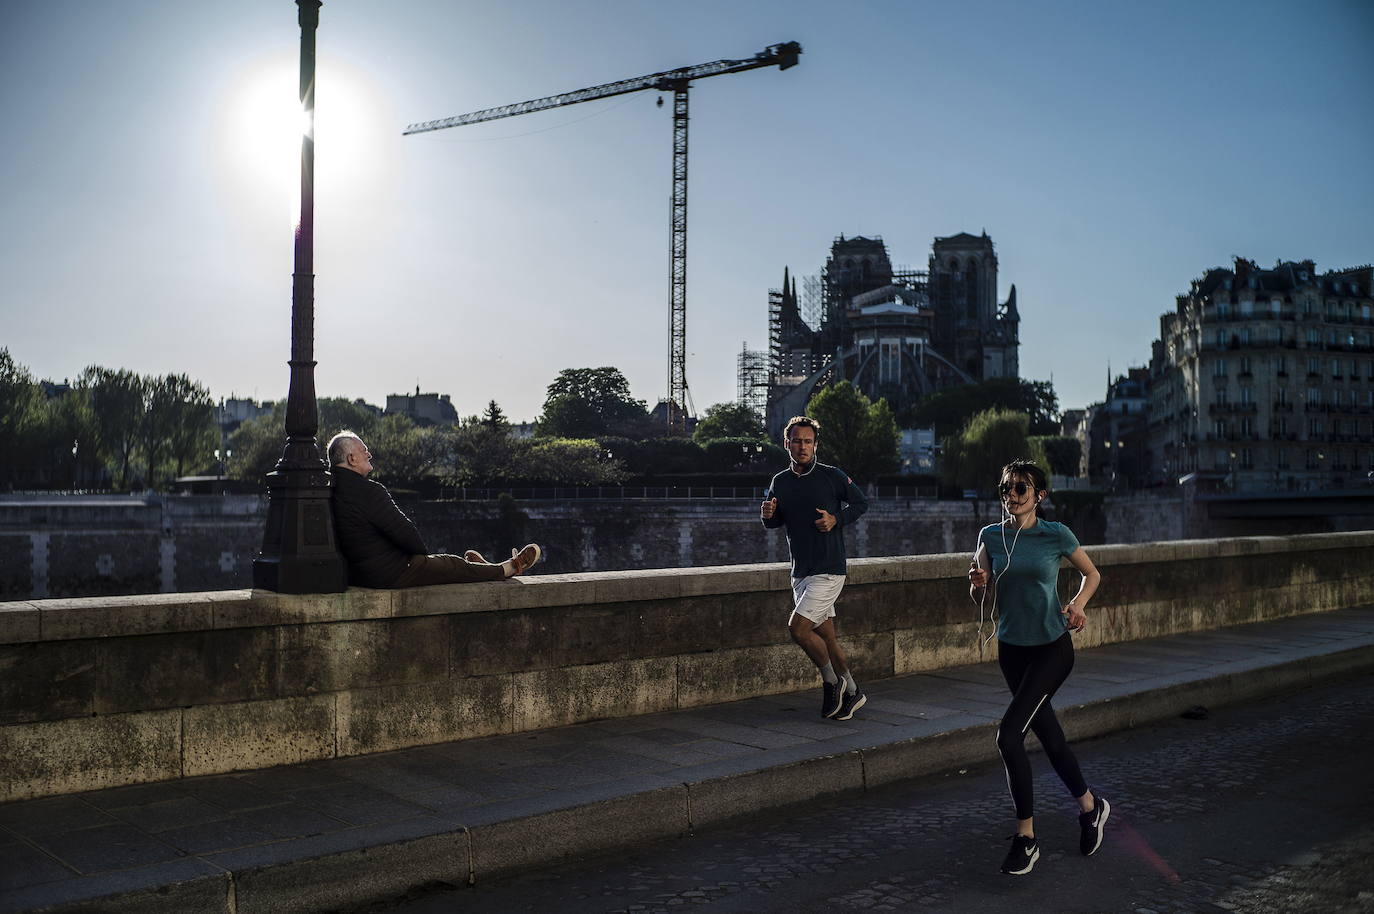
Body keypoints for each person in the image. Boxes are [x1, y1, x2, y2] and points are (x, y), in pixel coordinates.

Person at [968, 458, 1106, 876]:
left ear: (1038, 495)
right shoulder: (990, 536)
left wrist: (1077, 605)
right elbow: (980, 597)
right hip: (1012, 651)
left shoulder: (1055, 534)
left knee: (1009, 736)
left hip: (1052, 648)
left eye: (1020, 489)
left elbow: (1092, 574)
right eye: (1006, 489)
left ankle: (1026, 839)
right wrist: (975, 585)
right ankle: (1090, 806)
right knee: (1049, 734)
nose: (1011, 495)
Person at [760, 415, 870, 720]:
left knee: (798, 628)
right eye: (797, 441)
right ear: (787, 444)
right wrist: (767, 513)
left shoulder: (832, 476)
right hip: (801, 572)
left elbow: (861, 504)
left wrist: (837, 520)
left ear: (815, 444)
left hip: (829, 569)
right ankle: (854, 692)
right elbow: (775, 521)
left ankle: (831, 682)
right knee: (829, 638)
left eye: (808, 441)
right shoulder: (779, 482)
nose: (803, 446)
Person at [328, 431, 540, 588]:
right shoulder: (368, 491)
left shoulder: (330, 489)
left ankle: (487, 569)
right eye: (364, 451)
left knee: (450, 566)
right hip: (388, 573)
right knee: (450, 565)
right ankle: (509, 568)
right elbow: (406, 533)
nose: (369, 454)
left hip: (358, 574)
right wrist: (419, 557)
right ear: (352, 459)